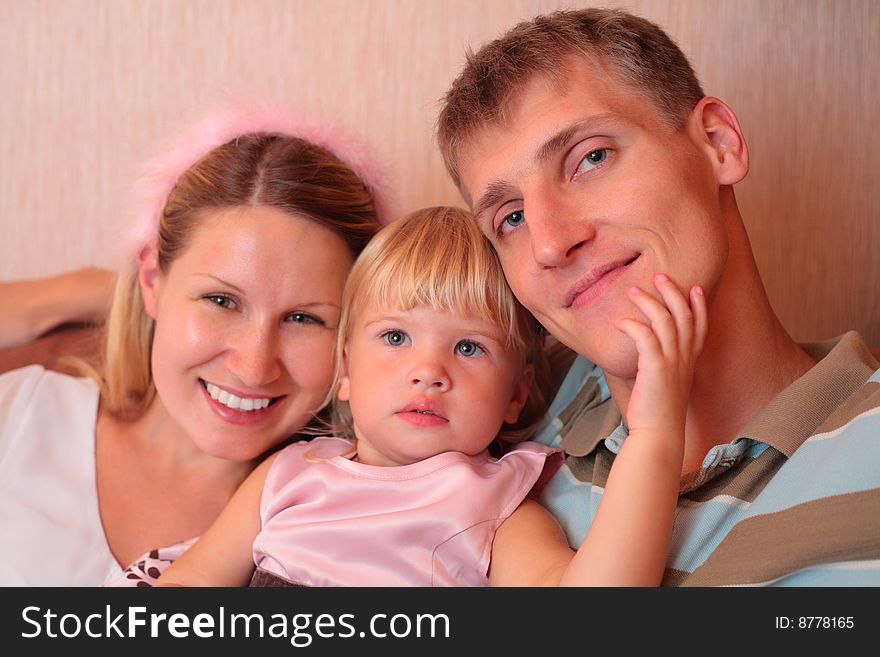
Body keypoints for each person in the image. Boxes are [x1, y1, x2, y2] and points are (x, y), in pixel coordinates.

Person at [436, 7, 880, 586]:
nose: (549, 244)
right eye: (511, 217)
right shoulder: (506, 403)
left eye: (591, 158)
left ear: (717, 144)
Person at [154, 206, 707, 587]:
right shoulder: (289, 474)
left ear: (516, 394)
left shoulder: (495, 505)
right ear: (344, 369)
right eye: (395, 337)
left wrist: (655, 432)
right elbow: (191, 586)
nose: (428, 372)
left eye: (469, 348)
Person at [0, 105, 389, 586]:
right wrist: (80, 290)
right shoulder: (20, 415)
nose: (253, 367)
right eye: (221, 300)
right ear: (151, 280)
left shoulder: (356, 518)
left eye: (304, 318)